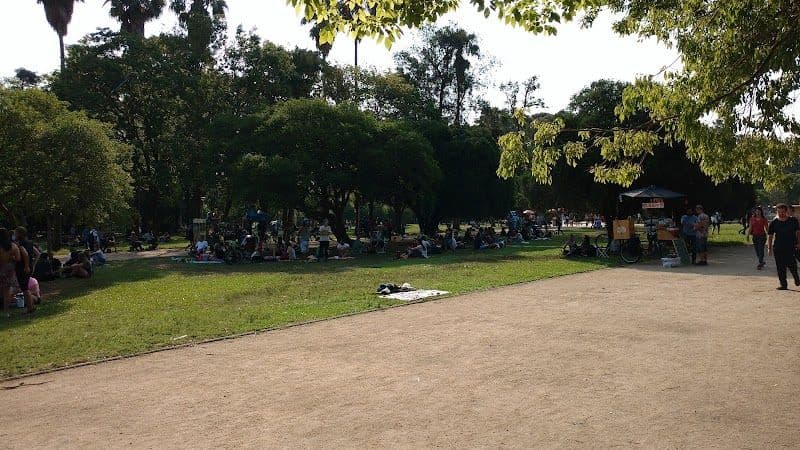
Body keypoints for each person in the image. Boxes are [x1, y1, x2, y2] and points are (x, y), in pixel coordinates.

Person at [767, 204, 800, 290]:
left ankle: (796, 278)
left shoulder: (793, 221)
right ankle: (783, 284)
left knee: (792, 265)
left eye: (782, 212)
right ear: (777, 212)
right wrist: (769, 248)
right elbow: (770, 236)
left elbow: (798, 233)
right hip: (778, 248)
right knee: (780, 267)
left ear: (786, 211)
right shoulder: (774, 222)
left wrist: (799, 243)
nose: (781, 213)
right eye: (779, 212)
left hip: (790, 247)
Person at [14, 227, 39, 310]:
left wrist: (26, 265)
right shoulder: (30, 243)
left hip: (22, 268)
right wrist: (33, 265)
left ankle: (30, 308)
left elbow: (25, 254)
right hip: (29, 267)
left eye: (15, 233)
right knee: (25, 288)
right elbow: (38, 253)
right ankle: (31, 306)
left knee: (25, 289)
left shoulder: (20, 244)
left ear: (20, 234)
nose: (14, 235)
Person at [0, 228, 20, 317]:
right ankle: (6, 312)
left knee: (4, 291)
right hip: (9, 269)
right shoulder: (13, 246)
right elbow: (18, 259)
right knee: (8, 291)